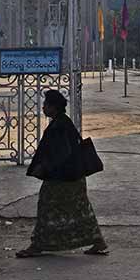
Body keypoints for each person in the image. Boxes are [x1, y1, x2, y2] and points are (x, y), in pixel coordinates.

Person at [15, 89, 108, 257]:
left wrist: (45, 167)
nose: (43, 108)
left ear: (54, 107)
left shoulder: (59, 126)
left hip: (63, 177)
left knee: (47, 207)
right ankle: (97, 241)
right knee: (79, 209)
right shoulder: (62, 122)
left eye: (46, 105)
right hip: (73, 176)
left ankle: (38, 244)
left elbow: (61, 153)